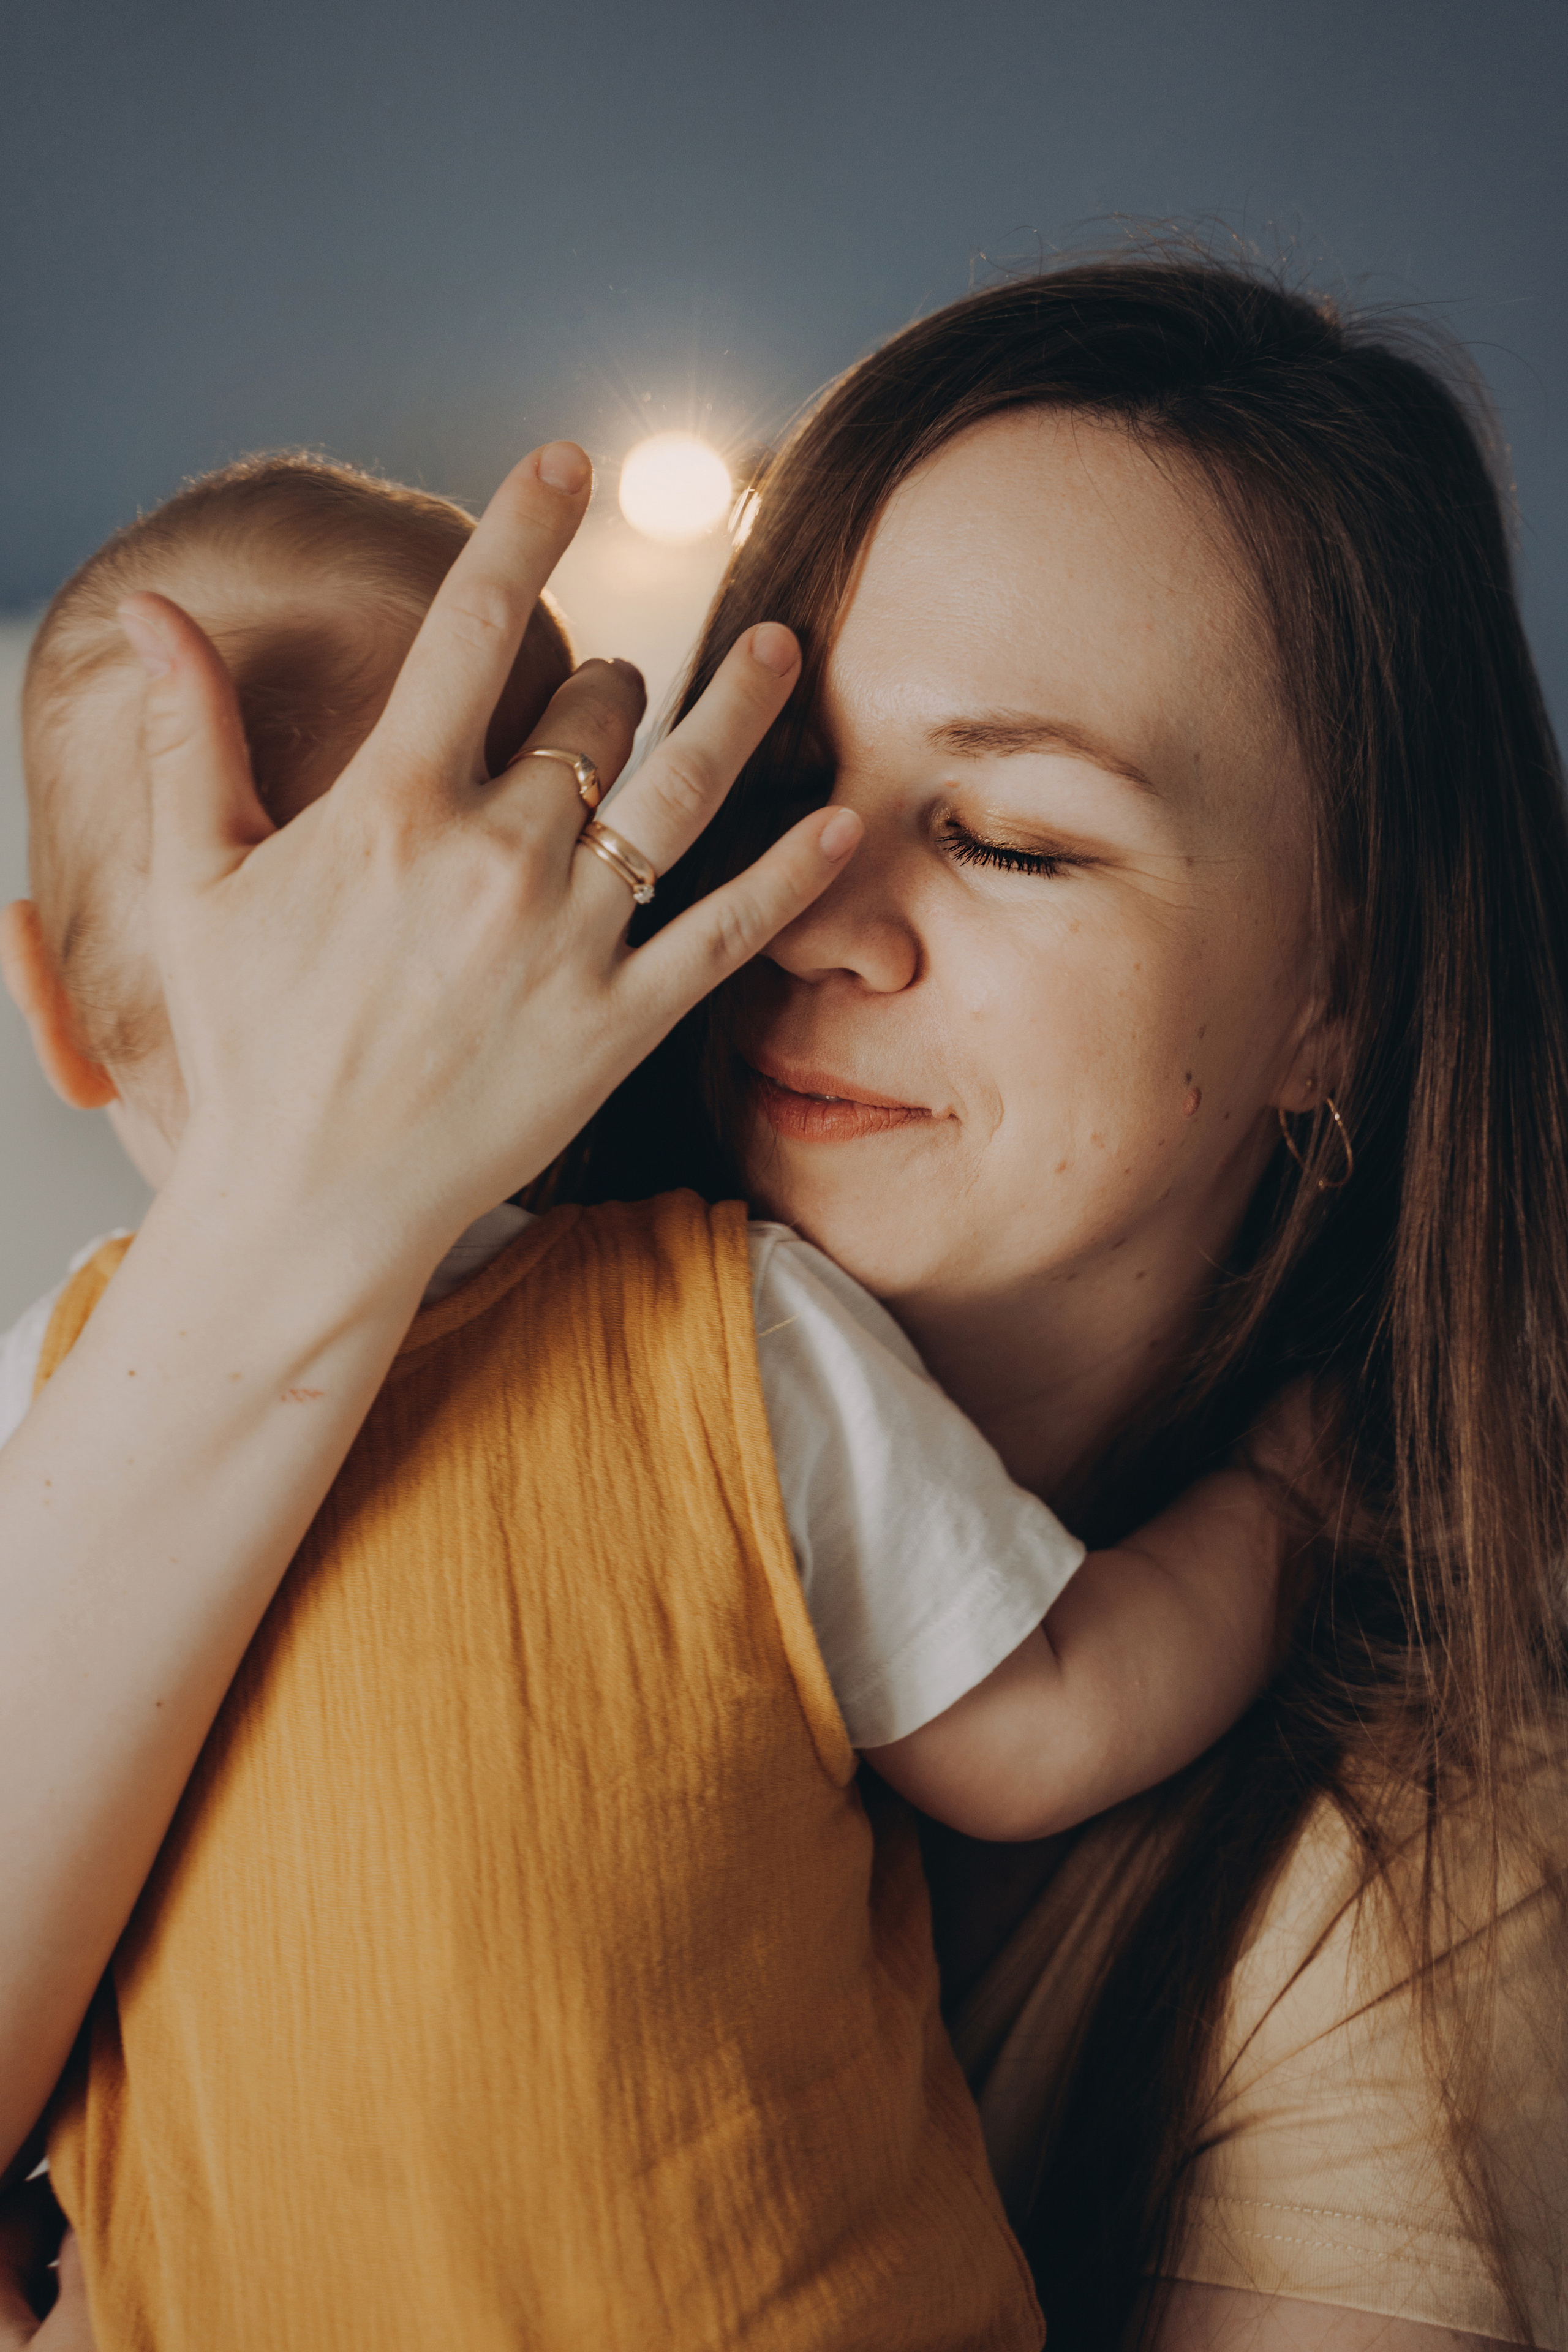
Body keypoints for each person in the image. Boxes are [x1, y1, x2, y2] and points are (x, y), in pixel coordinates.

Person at [3, 249, 1566, 2348]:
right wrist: (292, 1223)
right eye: (771, 795)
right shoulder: (163, 1410)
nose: (813, 909)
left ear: (1344, 988)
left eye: (1010, 837)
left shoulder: (1435, 1886)